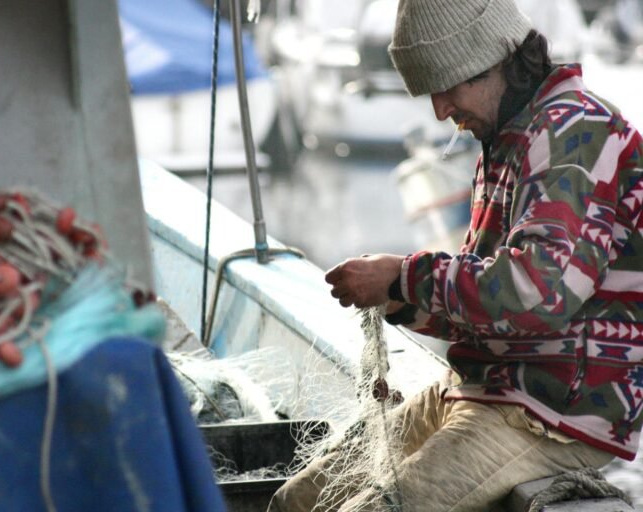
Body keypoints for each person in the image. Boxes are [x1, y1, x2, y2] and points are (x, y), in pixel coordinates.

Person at [269, 0, 643, 510]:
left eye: (448, 88)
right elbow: (490, 305)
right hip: (483, 385)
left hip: (554, 410)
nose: (441, 111)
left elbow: (536, 293)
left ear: (497, 63)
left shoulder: (573, 131)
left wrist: (403, 278)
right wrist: (399, 302)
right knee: (297, 500)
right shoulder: (511, 135)